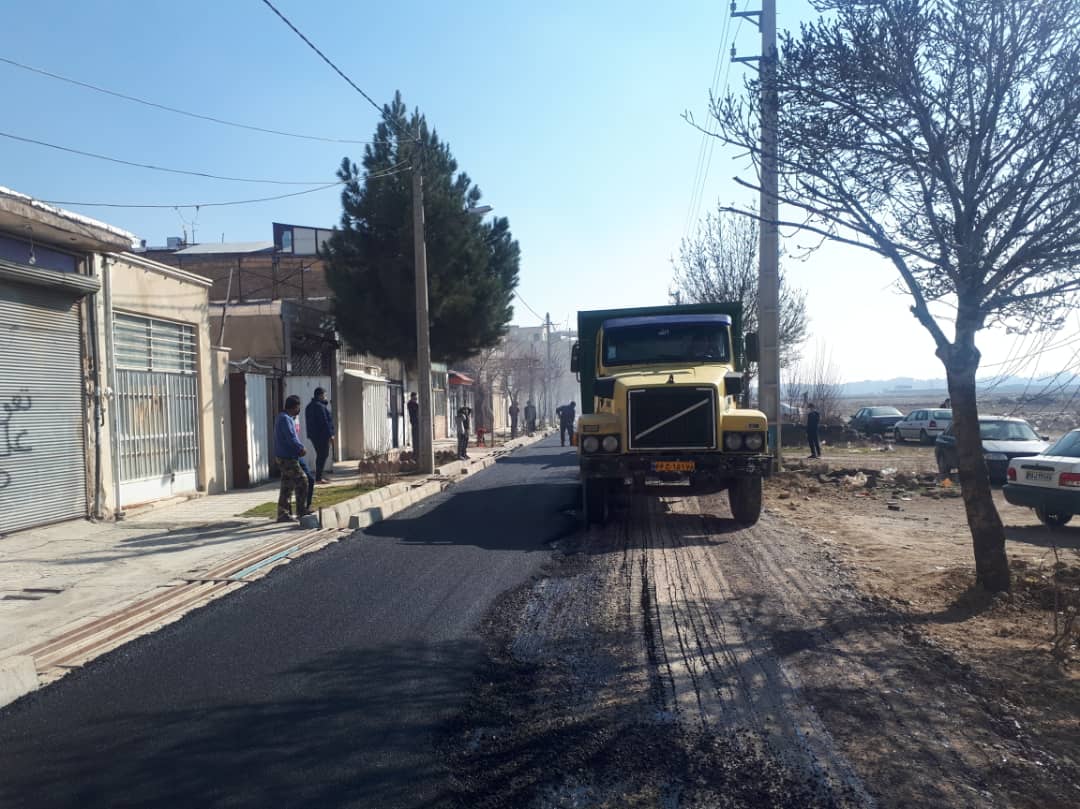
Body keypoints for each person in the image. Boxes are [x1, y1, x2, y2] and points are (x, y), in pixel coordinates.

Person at [274, 395, 312, 523]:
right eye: (298, 407)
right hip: (287, 458)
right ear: (294, 407)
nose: (299, 410)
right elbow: (291, 437)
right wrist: (300, 448)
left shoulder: (283, 417)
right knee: (302, 480)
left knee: (287, 485)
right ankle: (301, 510)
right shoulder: (285, 419)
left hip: (285, 456)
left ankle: (283, 513)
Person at [305, 387, 335, 484]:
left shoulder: (309, 406)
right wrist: (330, 435)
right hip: (322, 435)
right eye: (324, 395)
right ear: (320, 395)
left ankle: (319, 476)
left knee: (321, 455)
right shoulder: (319, 407)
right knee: (323, 455)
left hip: (314, 435)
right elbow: (325, 422)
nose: (325, 397)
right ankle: (318, 478)